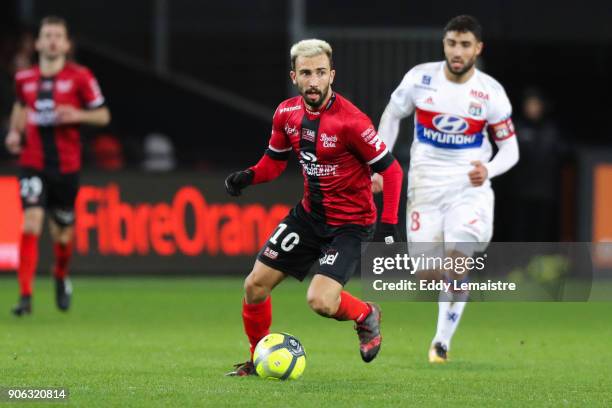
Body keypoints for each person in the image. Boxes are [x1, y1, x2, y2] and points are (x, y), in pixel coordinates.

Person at [224, 39, 404, 376]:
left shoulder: (351, 121)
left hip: (350, 224)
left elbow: (391, 171)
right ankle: (258, 358)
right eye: (306, 73)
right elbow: (274, 163)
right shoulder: (286, 113)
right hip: (310, 216)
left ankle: (366, 314)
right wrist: (248, 176)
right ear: (294, 75)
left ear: (331, 75)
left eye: (320, 72)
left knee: (320, 301)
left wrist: (390, 224)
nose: (313, 81)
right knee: (254, 285)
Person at [373, 15, 519, 362]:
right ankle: (457, 287)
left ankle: (441, 341)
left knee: (457, 259)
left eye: (465, 44)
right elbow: (393, 115)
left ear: (477, 48)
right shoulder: (420, 79)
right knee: (425, 274)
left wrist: (489, 170)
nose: (457, 51)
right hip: (424, 188)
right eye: (452, 43)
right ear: (444, 44)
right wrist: (380, 161)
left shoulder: (490, 93)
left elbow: (511, 150)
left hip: (469, 190)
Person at [4, 16, 111, 316]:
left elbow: (103, 116)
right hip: (33, 162)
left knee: (62, 234)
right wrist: (15, 131)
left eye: (57, 36)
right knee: (31, 223)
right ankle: (25, 297)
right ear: (38, 43)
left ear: (65, 44)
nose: (51, 40)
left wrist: (75, 114)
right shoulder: (24, 78)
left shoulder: (80, 77)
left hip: (65, 167)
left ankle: (61, 275)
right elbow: (20, 107)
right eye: (46, 35)